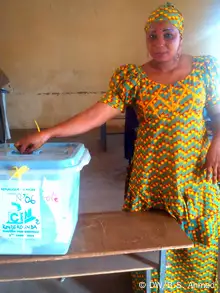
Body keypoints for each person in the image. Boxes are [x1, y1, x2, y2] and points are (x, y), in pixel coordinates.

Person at [15, 2, 219, 292]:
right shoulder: (132, 77)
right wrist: (48, 133)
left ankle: (191, 286)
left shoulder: (205, 69)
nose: (159, 42)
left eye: (168, 35)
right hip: (150, 173)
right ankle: (151, 283)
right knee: (149, 232)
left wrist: (218, 142)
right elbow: (98, 113)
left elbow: (218, 113)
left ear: (181, 37)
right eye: (152, 35)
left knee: (194, 228)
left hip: (192, 170)